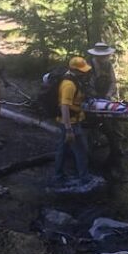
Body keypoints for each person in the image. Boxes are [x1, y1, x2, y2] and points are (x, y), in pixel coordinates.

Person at [52, 56, 93, 185]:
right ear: (75, 70)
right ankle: (84, 178)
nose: (85, 72)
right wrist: (69, 129)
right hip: (70, 123)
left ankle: (58, 176)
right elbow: (64, 106)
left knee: (62, 149)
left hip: (69, 121)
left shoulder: (73, 79)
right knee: (81, 150)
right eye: (82, 70)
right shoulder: (69, 84)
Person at [87, 42, 124, 178]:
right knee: (94, 124)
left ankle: (117, 148)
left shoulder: (108, 65)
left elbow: (113, 82)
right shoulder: (89, 66)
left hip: (106, 99)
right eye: (103, 56)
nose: (105, 57)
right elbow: (87, 85)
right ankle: (91, 149)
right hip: (92, 99)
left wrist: (108, 95)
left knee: (116, 121)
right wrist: (95, 97)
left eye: (106, 55)